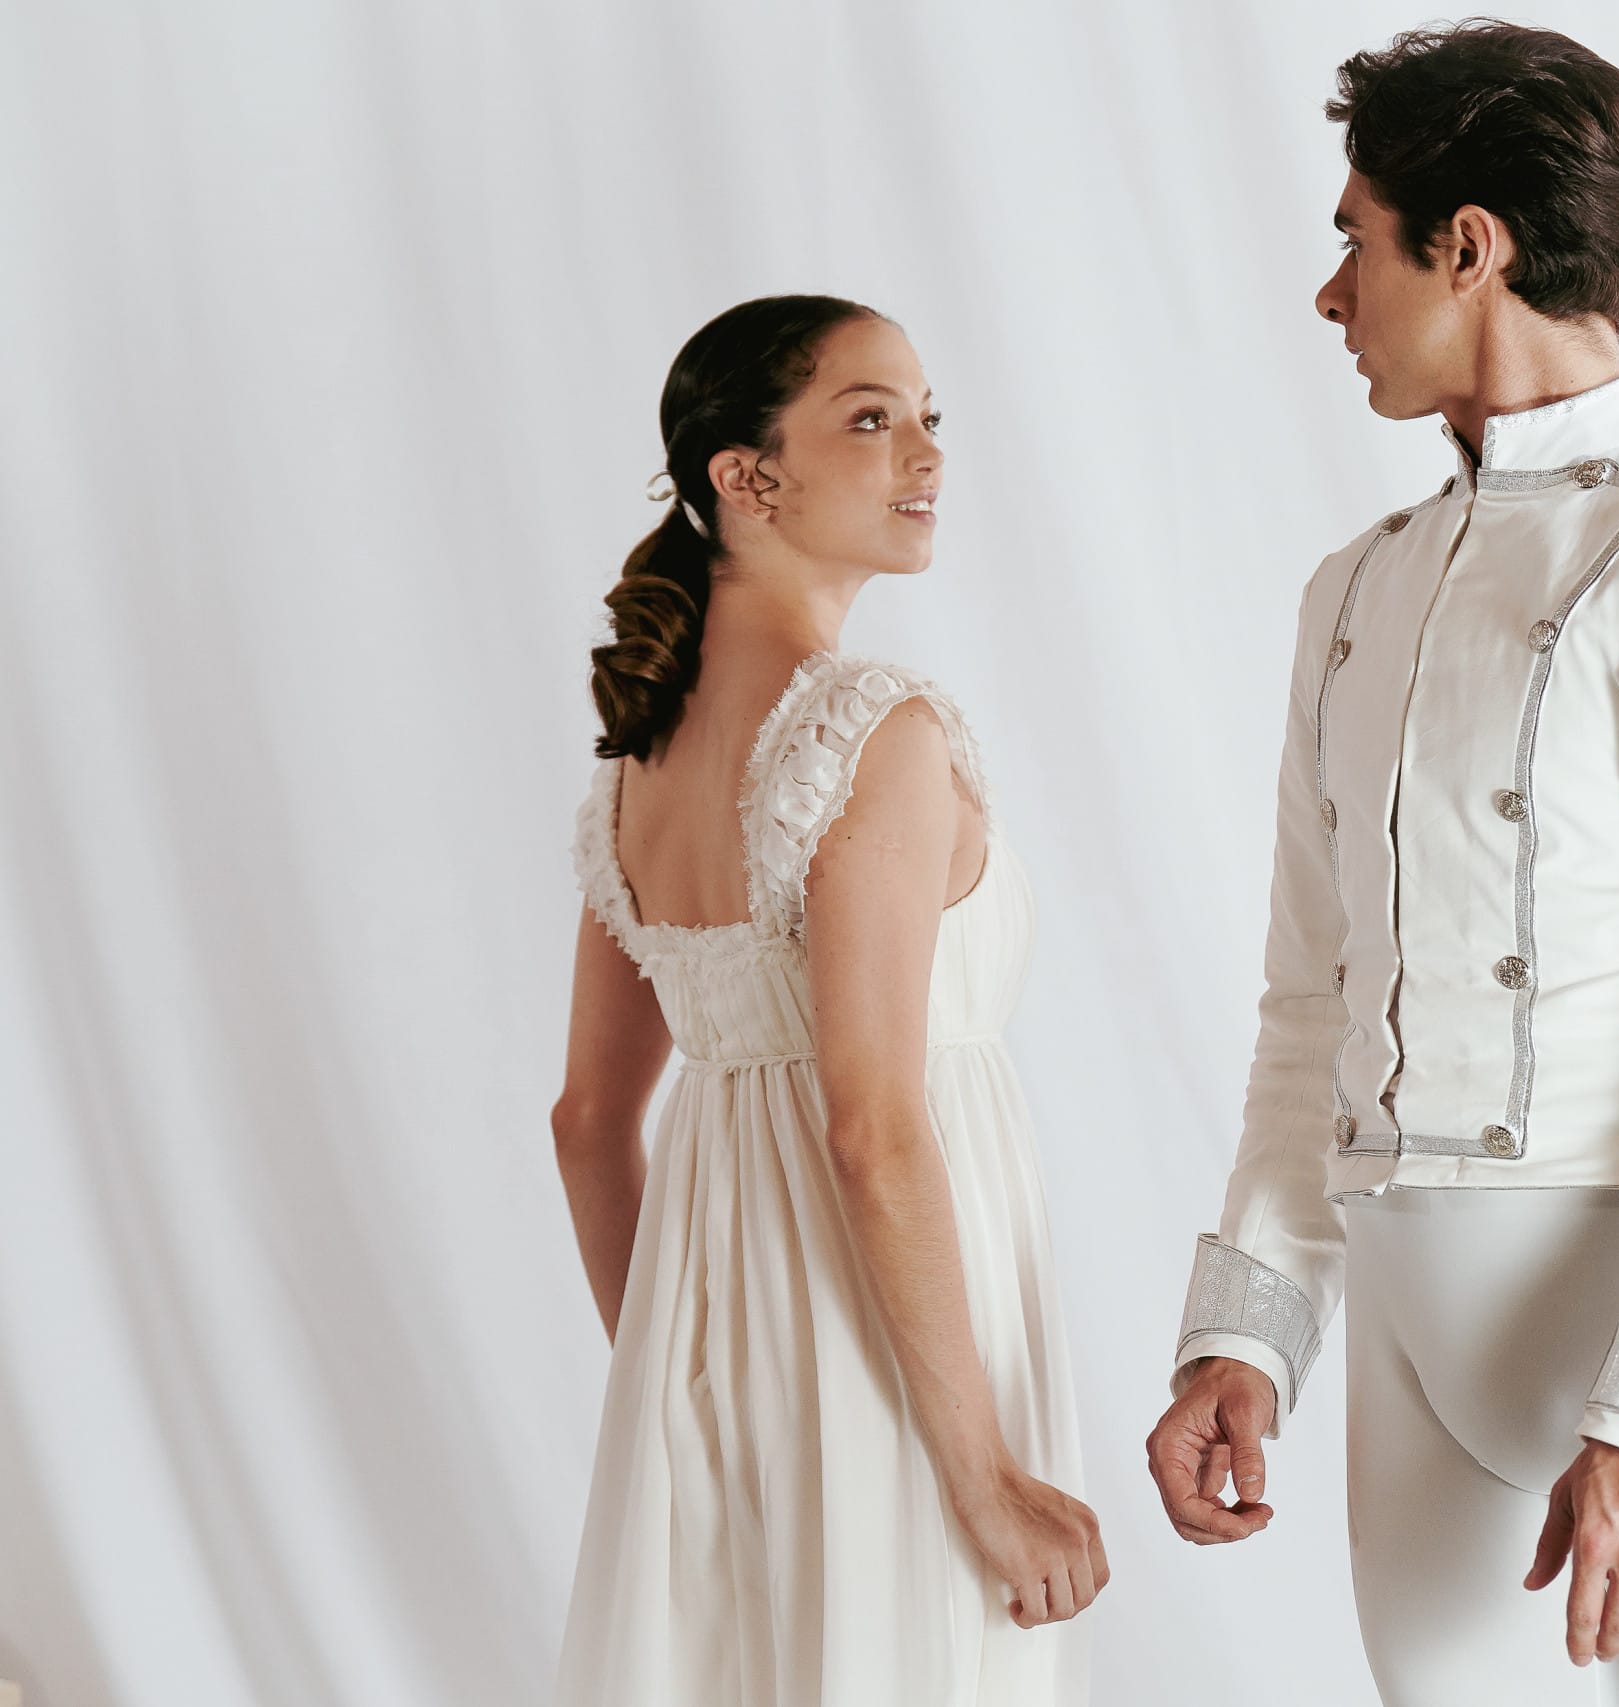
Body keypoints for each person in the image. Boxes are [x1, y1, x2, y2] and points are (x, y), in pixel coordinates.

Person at [1145, 23, 1619, 1706]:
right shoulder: (1355, 591)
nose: (1331, 293)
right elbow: (1307, 1000)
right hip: (1410, 1339)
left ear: (1465, 245)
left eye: (1354, 236)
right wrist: (1244, 1334)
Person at [550, 295, 1102, 1706]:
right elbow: (873, 1124)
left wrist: (677, 1374)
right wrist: (979, 1474)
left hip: (726, 1357)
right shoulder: (874, 731)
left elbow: (588, 1121)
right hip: (903, 1355)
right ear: (747, 477)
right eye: (870, 418)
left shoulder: (633, 774)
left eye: (928, 419)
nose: (922, 452)